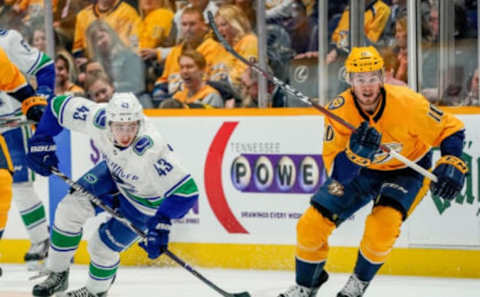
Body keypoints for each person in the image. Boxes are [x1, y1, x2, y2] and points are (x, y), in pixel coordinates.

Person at [278, 46, 467, 297]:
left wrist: (452, 160)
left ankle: (358, 282)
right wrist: (356, 154)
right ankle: (307, 283)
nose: (366, 87)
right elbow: (338, 174)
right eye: (359, 80)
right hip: (361, 172)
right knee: (311, 224)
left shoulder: (408, 104)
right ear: (349, 80)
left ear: (381, 77)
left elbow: (451, 128)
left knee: (383, 227)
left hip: (406, 170)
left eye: (371, 79)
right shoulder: (338, 111)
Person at [27, 92, 199, 297]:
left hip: (143, 204)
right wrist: (41, 139)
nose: (125, 135)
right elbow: (57, 106)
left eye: (131, 127)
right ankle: (57, 274)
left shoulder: (151, 148)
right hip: (113, 175)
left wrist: (161, 222)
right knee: (68, 210)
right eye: (119, 127)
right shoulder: (97, 117)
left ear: (139, 122)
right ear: (108, 123)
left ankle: (95, 291)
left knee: (102, 248)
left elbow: (187, 192)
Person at [0, 27, 54, 270]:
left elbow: (45, 66)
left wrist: (39, 98)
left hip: (11, 122)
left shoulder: (7, 39)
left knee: (18, 184)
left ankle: (42, 240)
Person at [214, 4, 258, 91]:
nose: (219, 30)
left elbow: (243, 73)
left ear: (236, 24)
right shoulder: (218, 47)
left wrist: (215, 83)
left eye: (223, 25)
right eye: (217, 26)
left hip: (239, 93)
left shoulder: (250, 41)